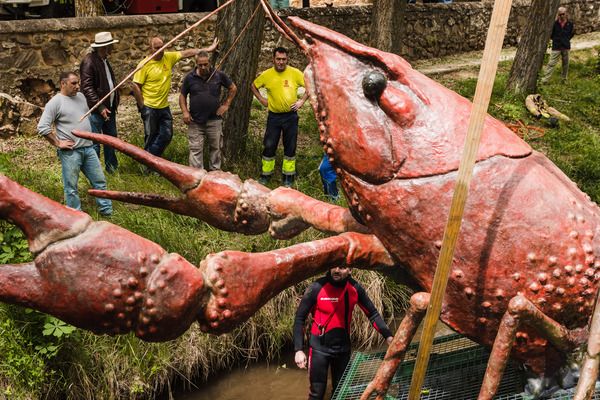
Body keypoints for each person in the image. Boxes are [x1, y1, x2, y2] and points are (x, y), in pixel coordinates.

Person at [293, 266, 394, 399]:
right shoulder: (317, 287)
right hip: (319, 349)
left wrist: (388, 336)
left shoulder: (354, 288)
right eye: (334, 266)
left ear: (350, 270)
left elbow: (373, 314)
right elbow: (300, 318)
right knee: (316, 394)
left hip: (343, 349)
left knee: (341, 393)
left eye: (342, 267)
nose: (336, 270)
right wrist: (298, 350)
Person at [37, 71, 113, 217]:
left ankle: (107, 213)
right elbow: (42, 127)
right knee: (71, 187)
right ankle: (75, 216)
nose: (78, 86)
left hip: (89, 148)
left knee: (100, 182)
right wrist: (58, 143)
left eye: (78, 83)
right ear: (63, 84)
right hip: (71, 152)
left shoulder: (81, 97)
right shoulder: (55, 102)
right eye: (74, 83)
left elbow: (85, 118)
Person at [132, 37, 218, 160]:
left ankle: (149, 159)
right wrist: (142, 106)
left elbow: (186, 53)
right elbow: (135, 85)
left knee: (167, 135)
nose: (160, 50)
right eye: (157, 47)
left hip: (164, 106)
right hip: (150, 107)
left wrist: (208, 49)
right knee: (151, 135)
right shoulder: (144, 64)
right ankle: (148, 165)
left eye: (162, 46)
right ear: (150, 48)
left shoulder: (168, 57)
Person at [251, 47, 308, 187]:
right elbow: (253, 85)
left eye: (283, 59)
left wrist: (301, 101)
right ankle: (266, 175)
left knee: (290, 146)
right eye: (278, 59)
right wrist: (261, 99)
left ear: (287, 59)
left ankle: (288, 177)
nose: (281, 62)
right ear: (273, 59)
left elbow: (310, 86)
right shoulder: (267, 74)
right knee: (269, 146)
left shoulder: (295, 73)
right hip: (274, 117)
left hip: (291, 117)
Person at [179, 51, 237, 171]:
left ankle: (214, 175)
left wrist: (226, 105)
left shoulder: (218, 75)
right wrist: (185, 111)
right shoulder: (190, 77)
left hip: (214, 120)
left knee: (216, 149)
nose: (203, 67)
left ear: (209, 62)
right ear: (196, 64)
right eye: (200, 65)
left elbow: (233, 88)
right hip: (195, 121)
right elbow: (182, 95)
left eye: (205, 64)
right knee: (195, 149)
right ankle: (196, 176)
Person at [80, 31, 120, 174]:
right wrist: (100, 106)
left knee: (111, 140)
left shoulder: (104, 60)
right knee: (95, 142)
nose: (112, 49)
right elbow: (87, 88)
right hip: (97, 110)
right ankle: (95, 172)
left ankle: (112, 169)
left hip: (109, 108)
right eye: (110, 46)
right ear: (104, 47)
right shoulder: (89, 61)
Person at [541, 6, 574, 84]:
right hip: (556, 46)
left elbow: (571, 33)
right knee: (551, 63)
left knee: (565, 64)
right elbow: (551, 34)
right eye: (560, 14)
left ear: (566, 14)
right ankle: (545, 80)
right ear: (558, 15)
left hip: (566, 46)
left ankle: (564, 80)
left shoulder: (570, 24)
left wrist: (566, 40)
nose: (561, 16)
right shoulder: (554, 24)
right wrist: (556, 39)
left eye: (563, 14)